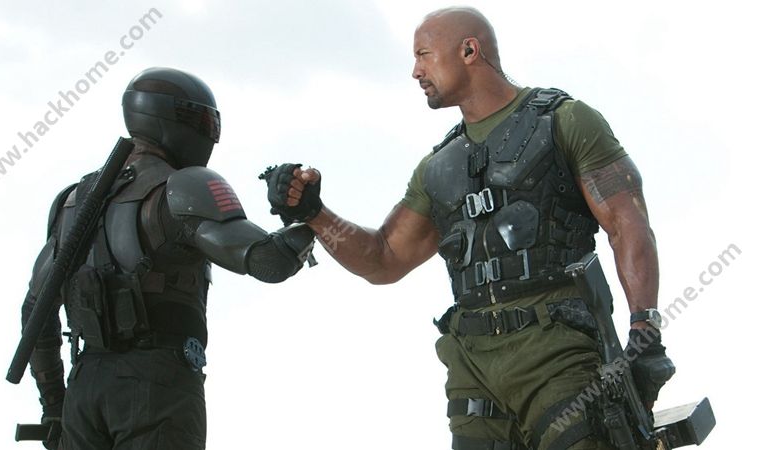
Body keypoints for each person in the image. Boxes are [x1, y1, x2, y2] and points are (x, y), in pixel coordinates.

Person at [263, 7, 673, 450]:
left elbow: (628, 225)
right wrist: (314, 211)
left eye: (423, 55)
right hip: (473, 371)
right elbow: (384, 259)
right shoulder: (437, 167)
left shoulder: (566, 121)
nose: (415, 71)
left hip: (558, 355)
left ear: (469, 51)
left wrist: (644, 333)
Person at [20, 67, 316, 450]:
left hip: (85, 388)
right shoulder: (185, 186)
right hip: (156, 384)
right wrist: (308, 214)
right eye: (202, 121)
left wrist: (55, 409)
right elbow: (270, 262)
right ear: (173, 119)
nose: (209, 133)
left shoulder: (74, 201)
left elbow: (35, 311)